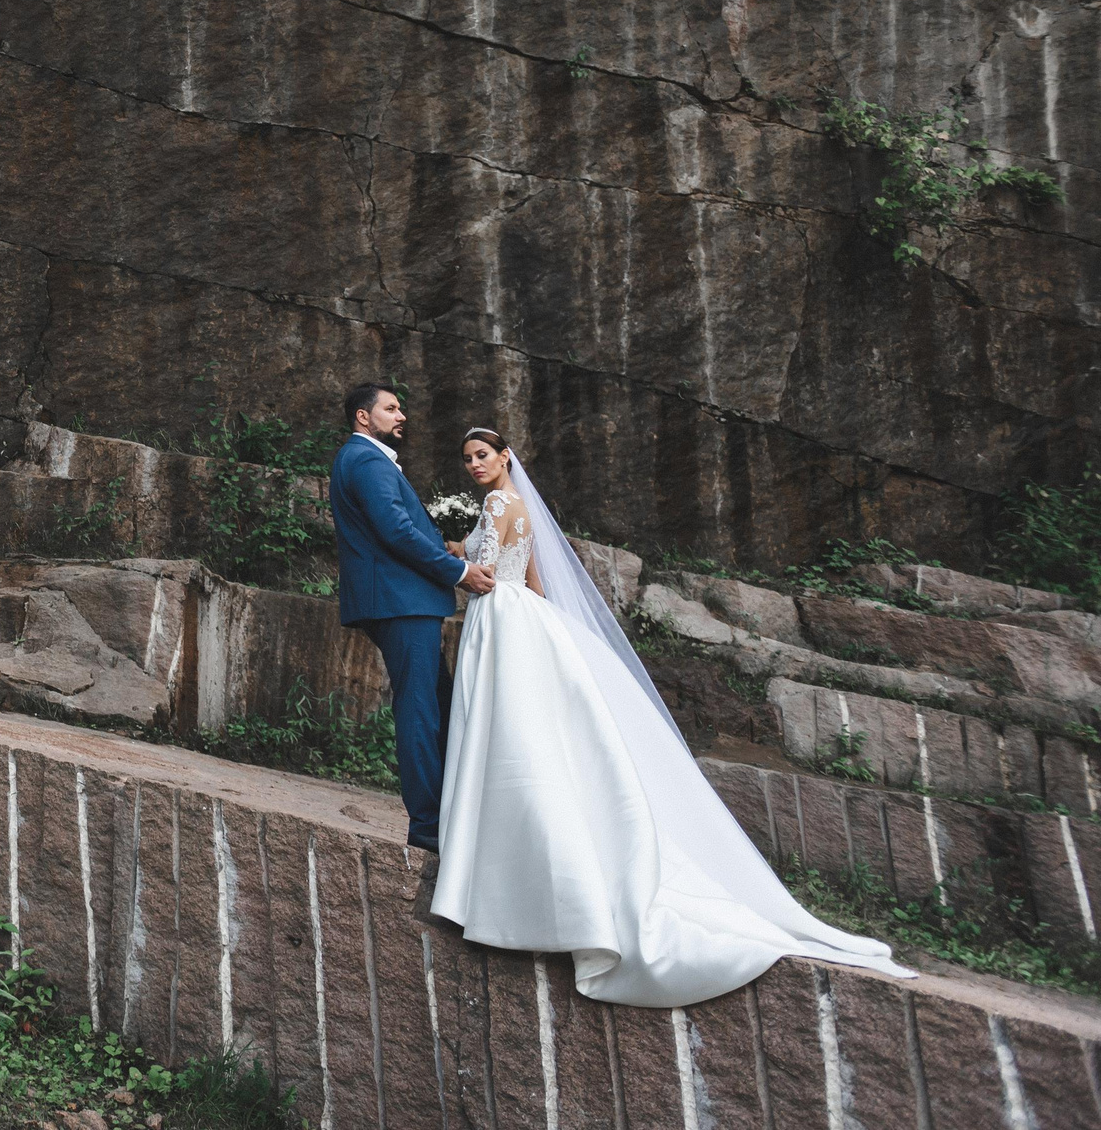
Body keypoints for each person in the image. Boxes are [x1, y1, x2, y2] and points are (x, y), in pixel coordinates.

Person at [431, 426, 910, 1006]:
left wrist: (458, 558)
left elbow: (487, 573)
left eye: (483, 455)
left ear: (506, 457)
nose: (475, 464)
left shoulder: (497, 504)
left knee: (508, 733)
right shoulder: (522, 505)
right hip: (527, 613)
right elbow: (534, 576)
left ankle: (501, 867)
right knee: (532, 731)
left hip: (501, 615)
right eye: (468, 458)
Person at [329, 383, 493, 856]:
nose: (402, 416)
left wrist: (445, 549)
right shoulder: (365, 459)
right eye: (391, 408)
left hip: (403, 600)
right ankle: (429, 828)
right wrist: (459, 572)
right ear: (364, 417)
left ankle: (450, 813)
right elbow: (395, 530)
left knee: (439, 704)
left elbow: (397, 529)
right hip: (400, 602)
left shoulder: (368, 460)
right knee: (420, 710)